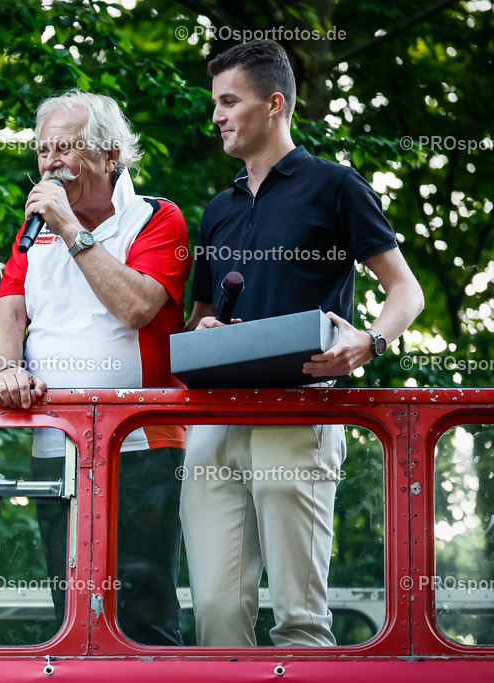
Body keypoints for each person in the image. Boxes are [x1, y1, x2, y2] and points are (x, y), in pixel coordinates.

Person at [180, 40, 424, 647]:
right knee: (213, 614)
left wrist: (369, 342)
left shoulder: (335, 185)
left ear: (275, 104)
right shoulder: (216, 210)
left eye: (229, 101)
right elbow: (200, 318)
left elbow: (406, 293)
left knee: (299, 618)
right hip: (214, 419)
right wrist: (203, 331)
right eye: (215, 103)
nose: (217, 115)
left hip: (300, 408)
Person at [0, 90, 192, 645]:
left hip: (142, 445)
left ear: (111, 154)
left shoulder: (157, 217)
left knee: (142, 605)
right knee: (70, 609)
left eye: (66, 148)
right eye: (43, 149)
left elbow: (136, 306)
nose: (50, 161)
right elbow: (8, 310)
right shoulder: (33, 232)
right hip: (57, 444)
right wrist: (5, 369)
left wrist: (74, 231)